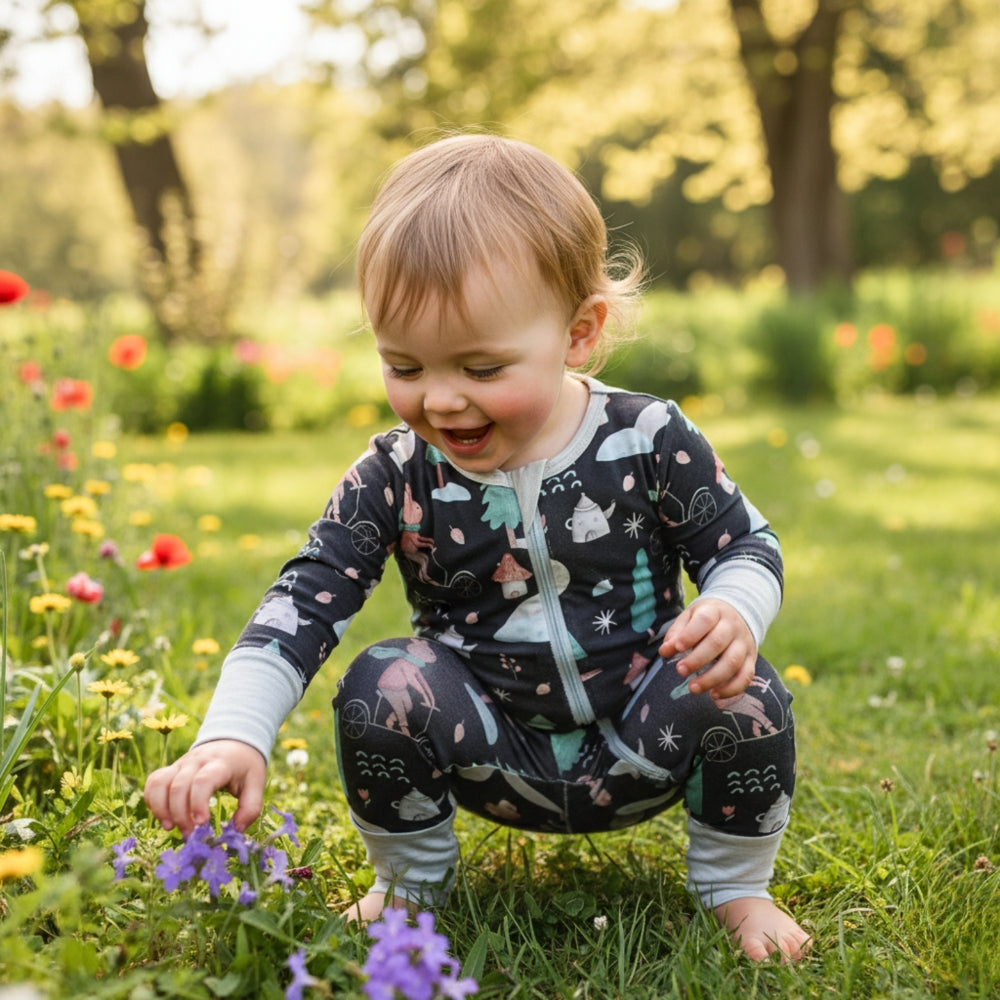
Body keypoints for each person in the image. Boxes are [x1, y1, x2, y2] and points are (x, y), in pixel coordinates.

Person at [144, 133, 810, 962]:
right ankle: (409, 885)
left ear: (578, 334)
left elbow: (746, 543)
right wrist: (231, 733)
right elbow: (303, 599)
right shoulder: (396, 472)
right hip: (489, 747)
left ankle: (736, 888)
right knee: (381, 681)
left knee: (744, 689)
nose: (442, 400)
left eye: (483, 368)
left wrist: (734, 607)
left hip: (646, 734)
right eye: (404, 366)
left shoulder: (645, 437)